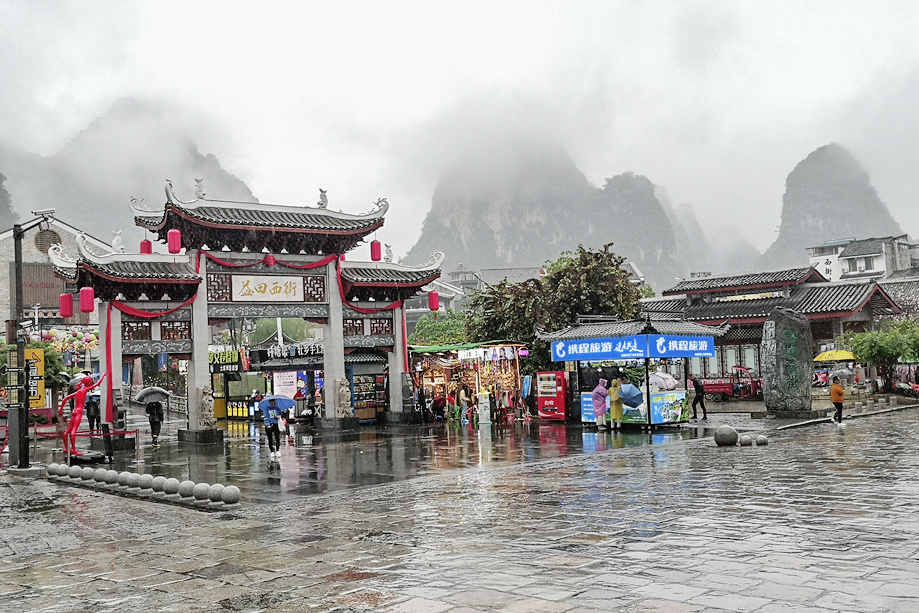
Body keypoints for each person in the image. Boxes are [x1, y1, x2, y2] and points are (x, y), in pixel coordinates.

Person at [58, 374, 106, 456]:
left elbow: (65, 398)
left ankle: (66, 448)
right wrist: (103, 376)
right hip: (79, 411)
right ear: (89, 383)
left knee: (68, 430)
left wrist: (60, 410)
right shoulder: (85, 390)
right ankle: (73, 449)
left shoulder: (78, 391)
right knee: (73, 431)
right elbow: (97, 383)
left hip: (75, 410)